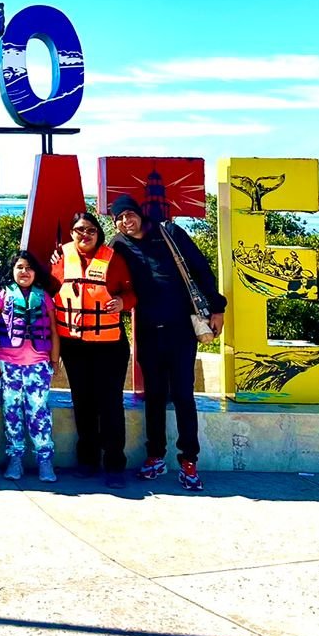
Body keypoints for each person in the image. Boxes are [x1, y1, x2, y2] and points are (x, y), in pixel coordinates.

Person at [109, 193, 226, 492]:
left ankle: (189, 461)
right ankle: (155, 455)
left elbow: (201, 268)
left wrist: (218, 308)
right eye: (119, 218)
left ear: (139, 213)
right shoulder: (119, 245)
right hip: (147, 330)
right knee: (155, 396)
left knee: (184, 395)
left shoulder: (169, 232)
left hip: (181, 329)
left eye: (129, 215)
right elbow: (93, 265)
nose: (126, 221)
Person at [51, 212, 136, 487]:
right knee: (83, 403)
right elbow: (48, 293)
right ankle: (87, 460)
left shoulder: (114, 259)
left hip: (109, 346)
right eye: (78, 230)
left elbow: (132, 292)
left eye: (89, 230)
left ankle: (114, 465)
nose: (84, 235)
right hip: (74, 345)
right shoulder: (61, 260)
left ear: (98, 232)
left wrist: (123, 303)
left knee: (110, 404)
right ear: (72, 233)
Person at [0, 251, 61, 482]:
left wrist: (55, 360)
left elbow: (54, 331)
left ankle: (45, 459)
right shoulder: (1, 296)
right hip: (8, 365)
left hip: (38, 365)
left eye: (28, 267)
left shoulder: (44, 297)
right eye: (19, 267)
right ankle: (15, 457)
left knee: (39, 412)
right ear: (13, 271)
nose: (24, 272)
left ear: (35, 272)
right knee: (11, 412)